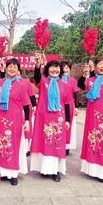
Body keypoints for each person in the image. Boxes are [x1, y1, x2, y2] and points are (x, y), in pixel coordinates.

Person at [0, 58, 31, 186]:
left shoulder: (21, 85)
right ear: (5, 67)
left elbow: (27, 105)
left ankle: (13, 173)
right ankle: (3, 172)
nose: (12, 69)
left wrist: (27, 120)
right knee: (1, 144)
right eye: (10, 66)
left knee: (13, 145)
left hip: (15, 119)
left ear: (18, 70)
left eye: (15, 67)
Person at [30, 54, 71, 182]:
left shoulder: (64, 85)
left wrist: (68, 120)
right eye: (52, 67)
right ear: (47, 69)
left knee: (56, 143)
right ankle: (44, 169)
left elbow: (68, 103)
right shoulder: (43, 82)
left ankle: (55, 171)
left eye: (57, 68)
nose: (55, 70)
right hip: (44, 117)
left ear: (60, 70)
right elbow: (37, 77)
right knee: (44, 143)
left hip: (58, 119)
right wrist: (38, 65)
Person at [60, 60, 80, 155]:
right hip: (59, 105)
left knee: (68, 125)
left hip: (70, 105)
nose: (65, 70)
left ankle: (66, 147)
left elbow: (76, 94)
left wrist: (76, 107)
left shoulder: (73, 81)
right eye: (63, 68)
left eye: (67, 68)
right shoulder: (57, 80)